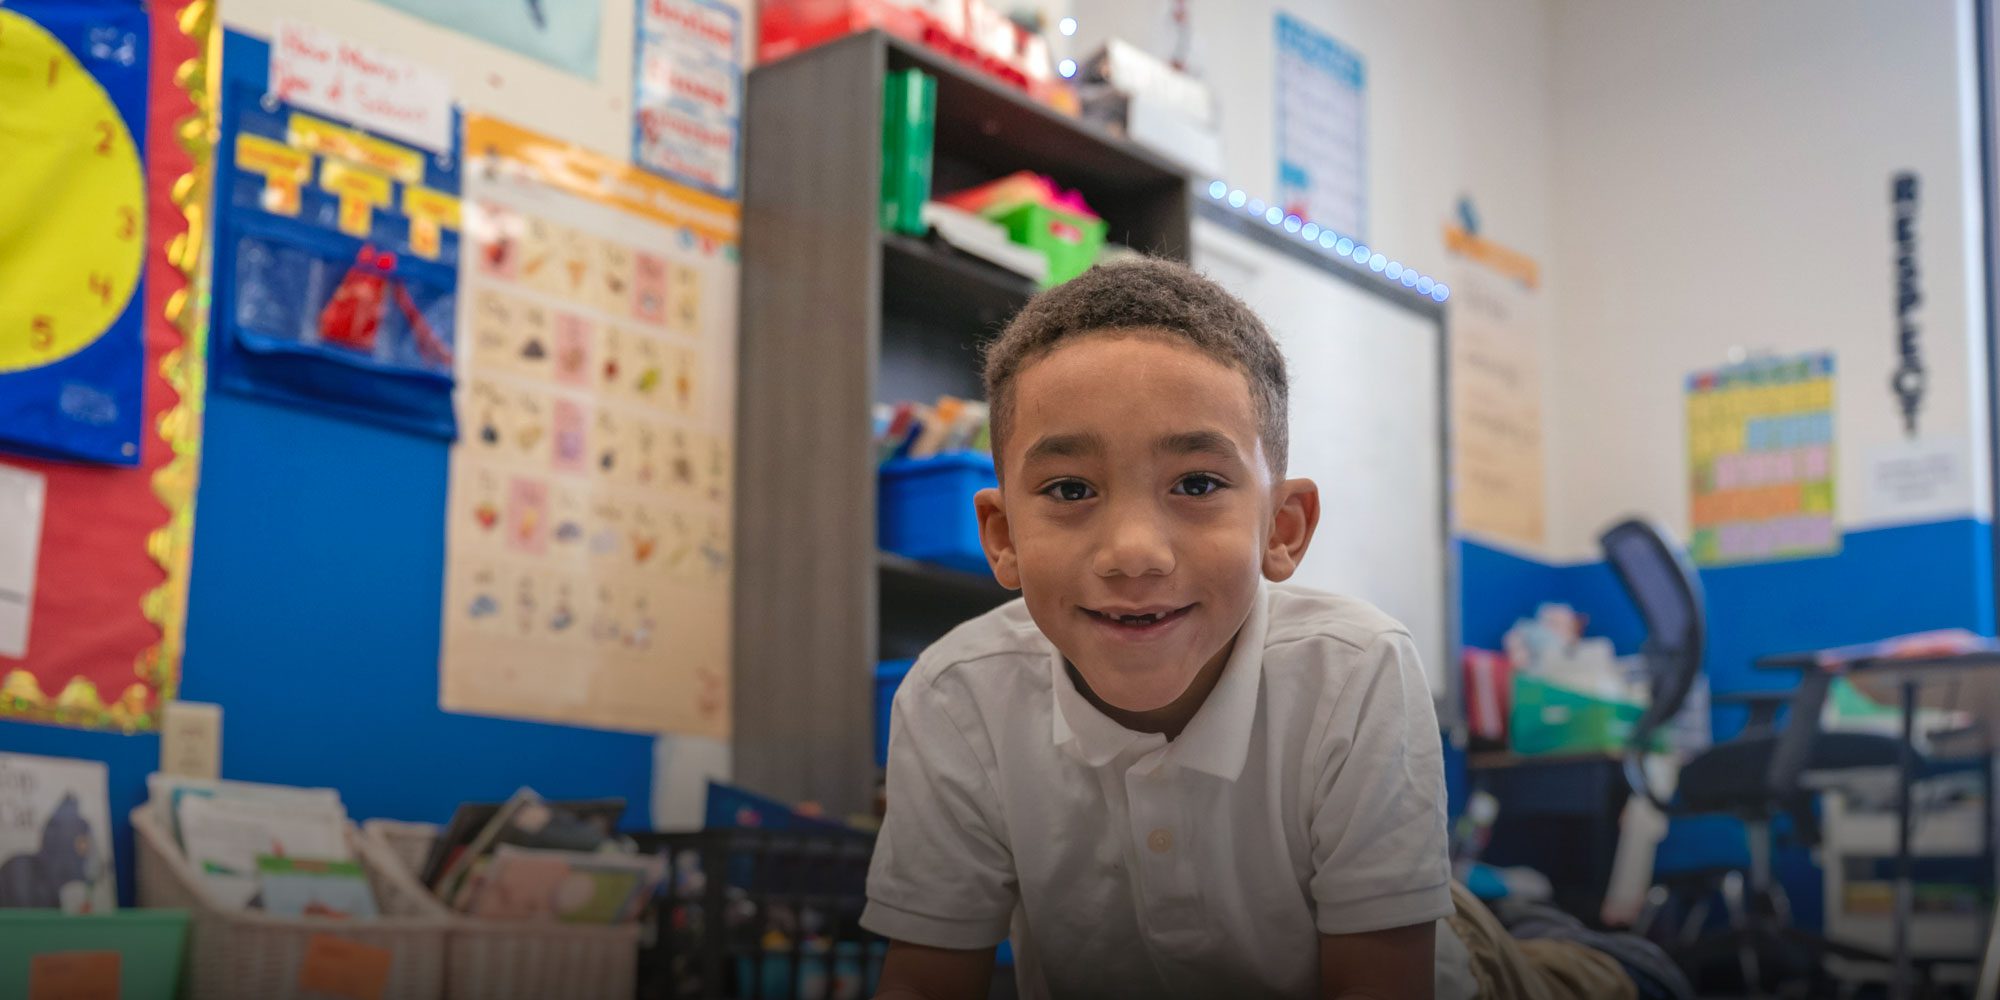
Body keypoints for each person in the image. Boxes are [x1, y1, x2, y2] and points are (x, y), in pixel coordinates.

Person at [863, 258, 1463, 999]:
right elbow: (924, 984)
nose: (1134, 554)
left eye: (1198, 484)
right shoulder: (956, 698)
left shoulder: (1356, 669)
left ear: (1283, 527)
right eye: (1070, 489)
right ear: (1002, 535)